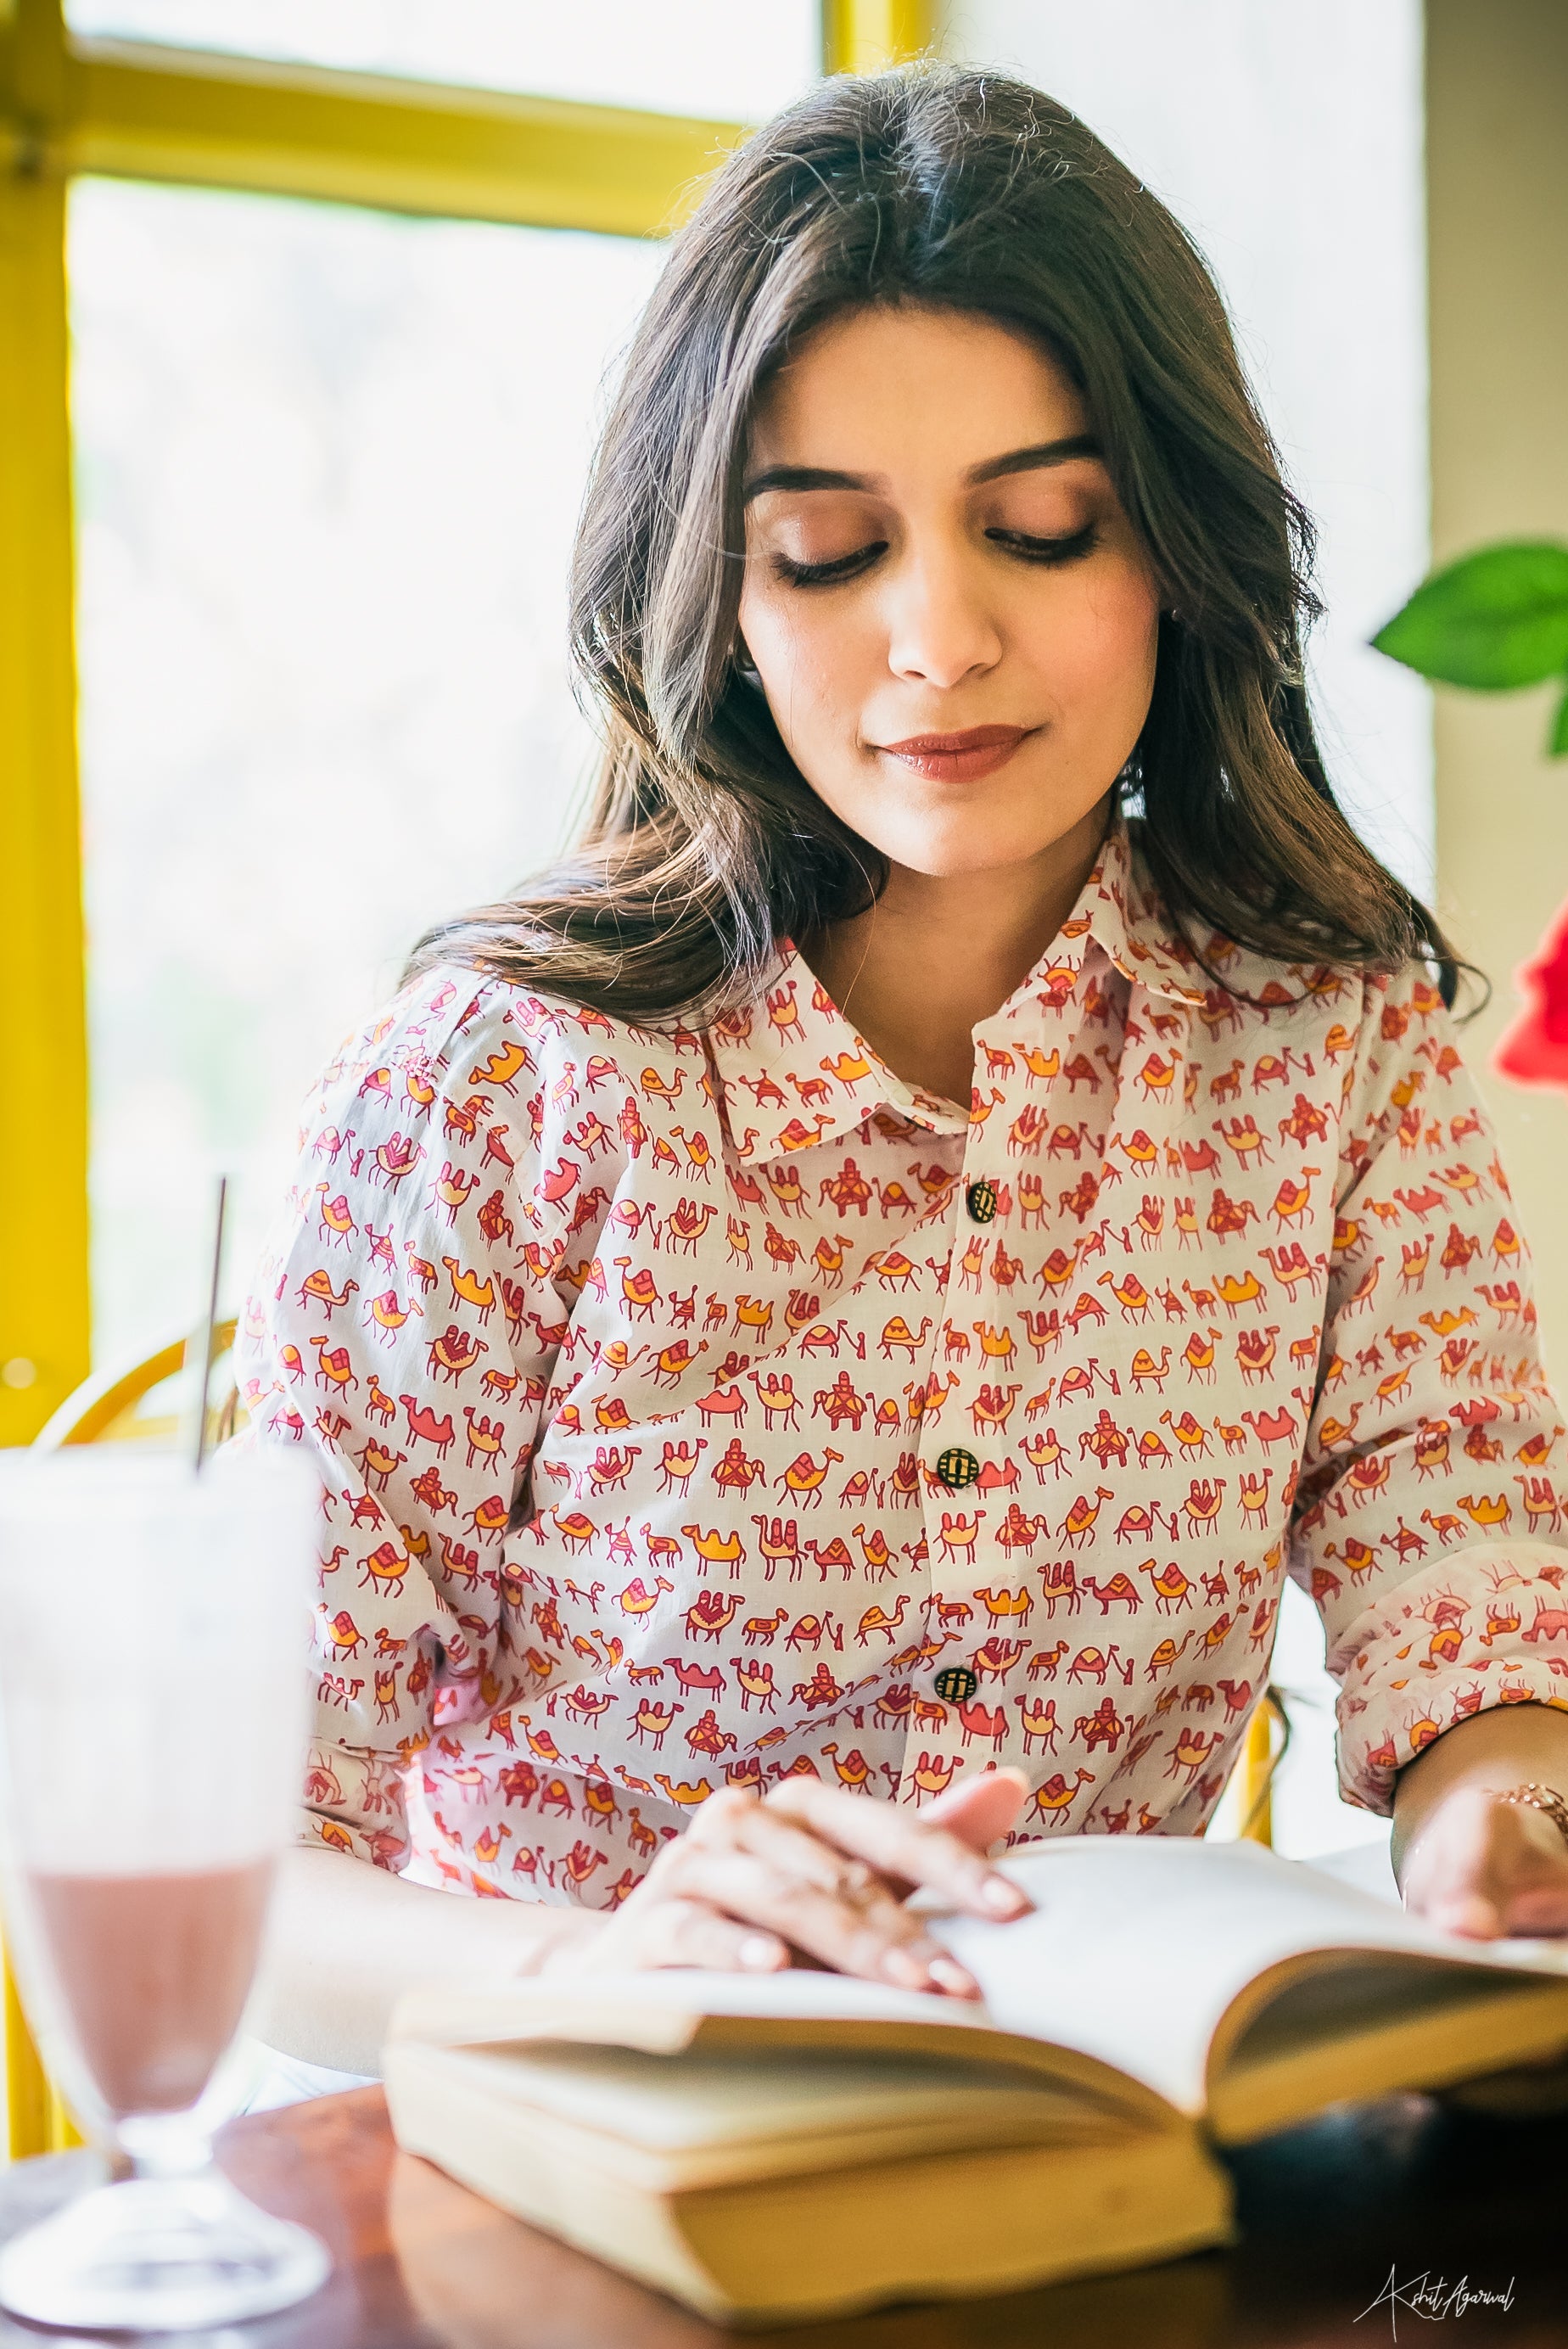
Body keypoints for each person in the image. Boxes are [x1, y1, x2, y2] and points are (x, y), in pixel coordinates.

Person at [241, 65, 1568, 2077]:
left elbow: (1466, 1596)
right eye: (830, 552)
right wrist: (602, 1971)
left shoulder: (1330, 1040)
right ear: (716, 598)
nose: (937, 640)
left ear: (1177, 553)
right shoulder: (492, 1092)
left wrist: (1494, 1844)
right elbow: (243, 1880)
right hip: (576, 2149)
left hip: (1094, 2158)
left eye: (1040, 528)